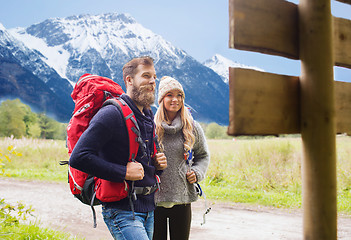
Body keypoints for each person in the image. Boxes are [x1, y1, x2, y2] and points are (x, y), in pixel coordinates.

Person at [69, 56, 167, 240]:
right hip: (122, 210)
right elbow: (79, 157)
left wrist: (157, 165)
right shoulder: (112, 113)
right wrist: (123, 172)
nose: (153, 81)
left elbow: (140, 163)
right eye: (146, 76)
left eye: (154, 76)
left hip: (148, 208)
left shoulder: (147, 114)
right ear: (129, 80)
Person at [153, 76, 210, 240]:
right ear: (161, 99)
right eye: (169, 95)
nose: (175, 99)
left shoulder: (192, 127)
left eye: (179, 95)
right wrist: (154, 163)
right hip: (155, 199)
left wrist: (197, 172)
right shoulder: (151, 127)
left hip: (183, 198)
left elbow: (203, 155)